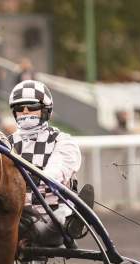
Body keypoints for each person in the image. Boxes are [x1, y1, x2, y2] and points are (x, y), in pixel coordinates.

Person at [8, 80, 94, 248]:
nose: (25, 111)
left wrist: (39, 178)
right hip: (15, 214)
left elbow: (58, 168)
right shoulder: (5, 143)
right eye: (19, 108)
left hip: (51, 211)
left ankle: (71, 223)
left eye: (31, 106)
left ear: (45, 110)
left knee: (58, 217)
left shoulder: (62, 141)